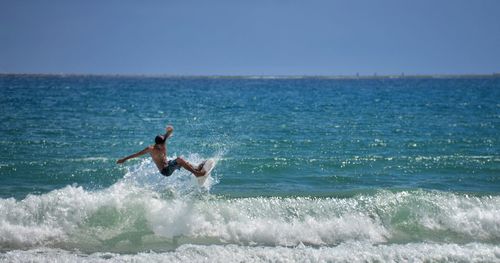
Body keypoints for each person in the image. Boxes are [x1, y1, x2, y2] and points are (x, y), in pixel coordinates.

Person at [116, 125, 206, 177]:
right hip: (165, 171)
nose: (163, 145)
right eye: (161, 144)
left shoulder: (163, 140)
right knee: (179, 160)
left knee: (181, 160)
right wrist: (124, 159)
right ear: (157, 144)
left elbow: (169, 132)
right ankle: (196, 173)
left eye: (164, 143)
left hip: (168, 164)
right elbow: (137, 154)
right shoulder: (151, 149)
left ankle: (196, 169)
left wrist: (170, 129)